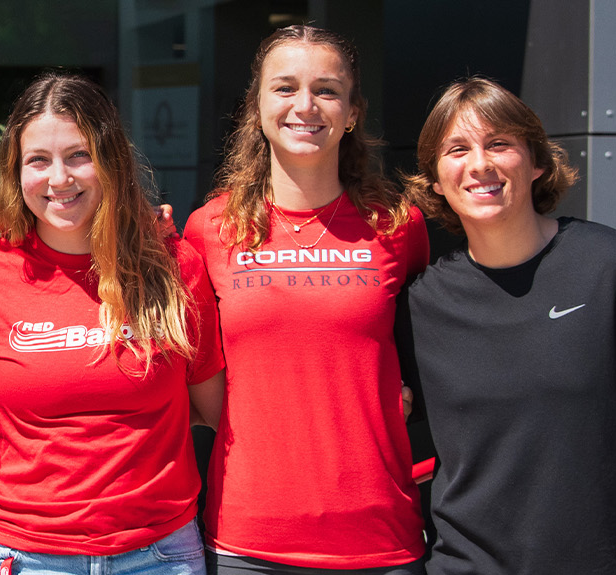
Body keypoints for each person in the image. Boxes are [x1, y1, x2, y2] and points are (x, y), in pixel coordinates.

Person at [398, 77, 616, 575]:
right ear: (436, 180)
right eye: (457, 149)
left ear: (537, 162)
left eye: (499, 144)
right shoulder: (421, 305)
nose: (479, 164)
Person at [0, 73, 225, 575]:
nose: (59, 179)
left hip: (161, 554)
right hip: (24, 557)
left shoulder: (174, 265)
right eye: (38, 160)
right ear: (15, 172)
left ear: (112, 160)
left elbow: (217, 408)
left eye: (78, 155)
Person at [180, 25, 429, 574]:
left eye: (327, 90)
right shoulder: (209, 230)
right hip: (248, 539)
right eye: (285, 88)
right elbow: (193, 377)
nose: (305, 106)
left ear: (353, 110)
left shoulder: (396, 226)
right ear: (257, 106)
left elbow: (424, 348)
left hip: (379, 537)